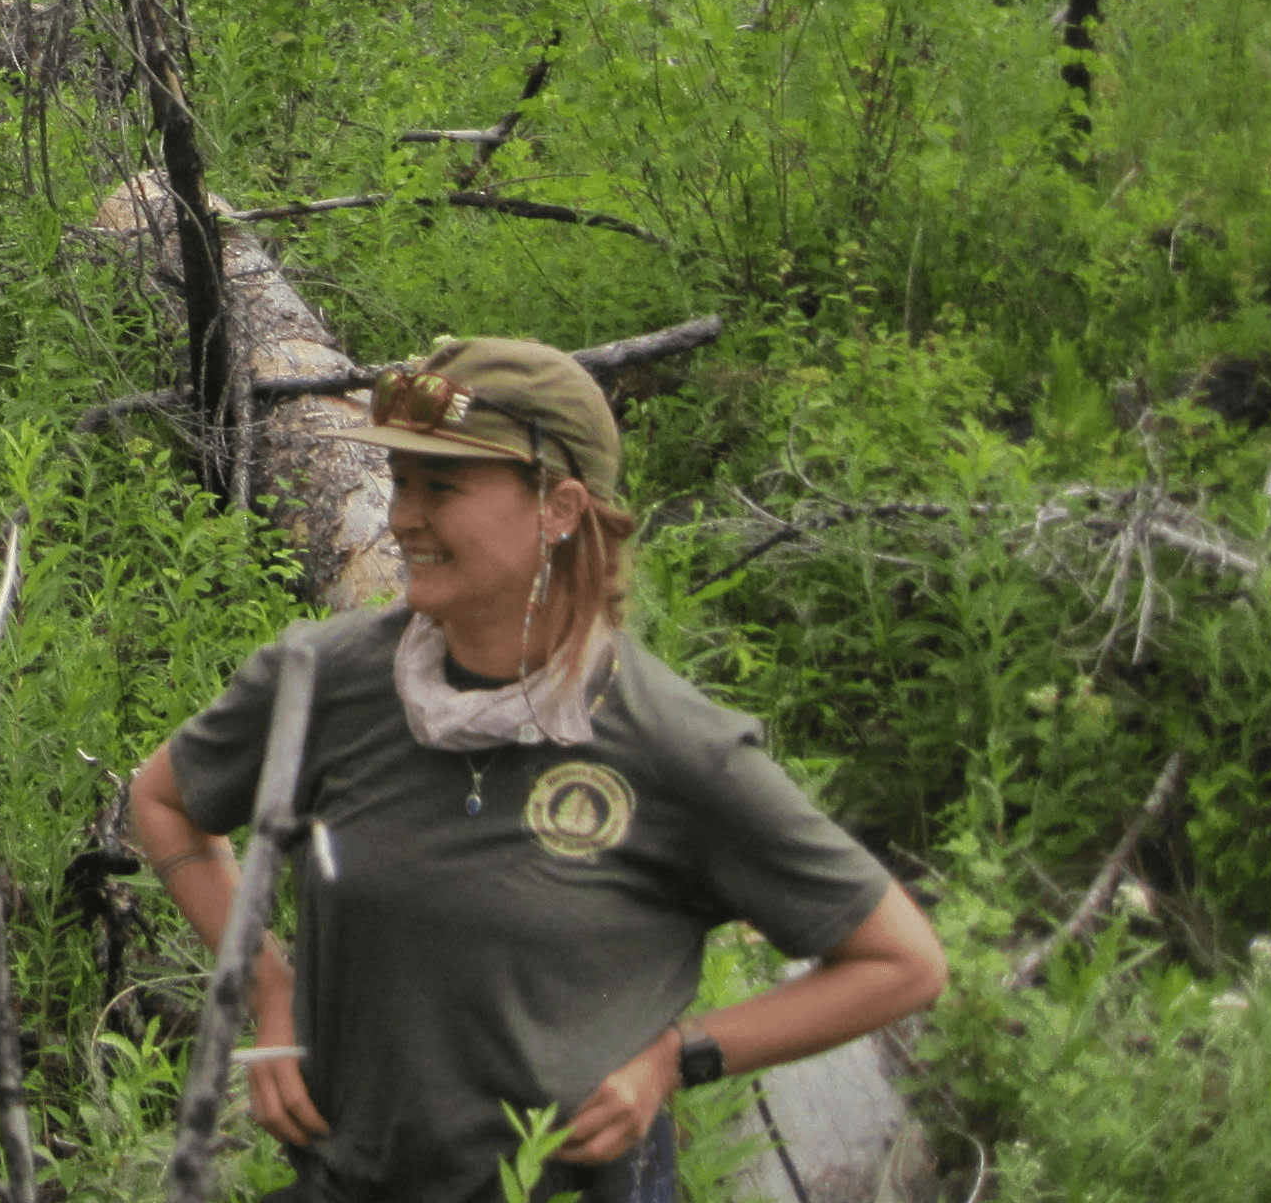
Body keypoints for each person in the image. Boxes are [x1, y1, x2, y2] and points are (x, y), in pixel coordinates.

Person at [126, 336, 947, 1203]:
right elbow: (163, 799)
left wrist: (675, 1057)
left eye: (442, 487)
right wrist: (268, 990)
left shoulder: (669, 743)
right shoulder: (323, 681)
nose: (403, 518)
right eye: (401, 482)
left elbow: (902, 963)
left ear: (559, 507)